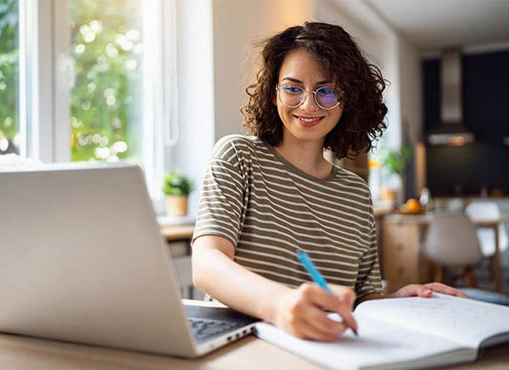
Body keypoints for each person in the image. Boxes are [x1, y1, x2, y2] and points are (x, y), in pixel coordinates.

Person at [191, 22, 467, 342]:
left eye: (327, 91)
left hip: (327, 346)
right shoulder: (238, 156)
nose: (308, 105)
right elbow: (207, 264)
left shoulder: (355, 193)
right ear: (273, 92)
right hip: (243, 343)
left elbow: (363, 297)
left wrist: (400, 301)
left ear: (348, 98)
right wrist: (280, 305)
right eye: (293, 88)